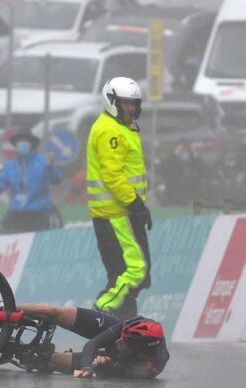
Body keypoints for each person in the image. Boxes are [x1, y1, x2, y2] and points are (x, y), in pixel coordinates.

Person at [86, 76, 152, 320]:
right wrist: (135, 204)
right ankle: (103, 309)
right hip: (117, 214)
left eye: (134, 104)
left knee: (127, 274)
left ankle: (124, 322)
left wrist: (138, 206)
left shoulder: (120, 127)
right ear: (112, 101)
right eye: (125, 104)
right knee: (136, 271)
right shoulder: (110, 131)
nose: (131, 109)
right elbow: (113, 176)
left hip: (122, 212)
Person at [16, 304, 169, 379]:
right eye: (121, 337)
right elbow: (94, 343)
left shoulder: (149, 367)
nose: (118, 341)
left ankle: (15, 350)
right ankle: (4, 307)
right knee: (54, 313)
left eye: (123, 342)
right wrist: (86, 366)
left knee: (46, 360)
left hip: (119, 363)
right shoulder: (131, 328)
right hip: (123, 338)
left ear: (138, 351)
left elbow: (115, 373)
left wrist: (97, 367)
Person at [0, 128, 63, 232]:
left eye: (25, 141)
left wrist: (50, 167)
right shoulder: (9, 166)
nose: (22, 144)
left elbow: (57, 180)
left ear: (31, 143)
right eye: (19, 141)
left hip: (39, 214)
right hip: (17, 214)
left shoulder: (44, 161)